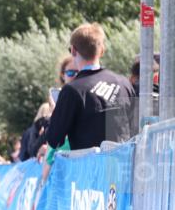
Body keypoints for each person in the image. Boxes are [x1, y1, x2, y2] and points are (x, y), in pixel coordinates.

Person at [46, 23, 137, 153]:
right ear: (102, 50)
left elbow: (54, 139)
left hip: (90, 171)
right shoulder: (124, 83)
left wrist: (54, 115)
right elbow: (136, 128)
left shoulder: (72, 90)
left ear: (73, 50)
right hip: (123, 167)